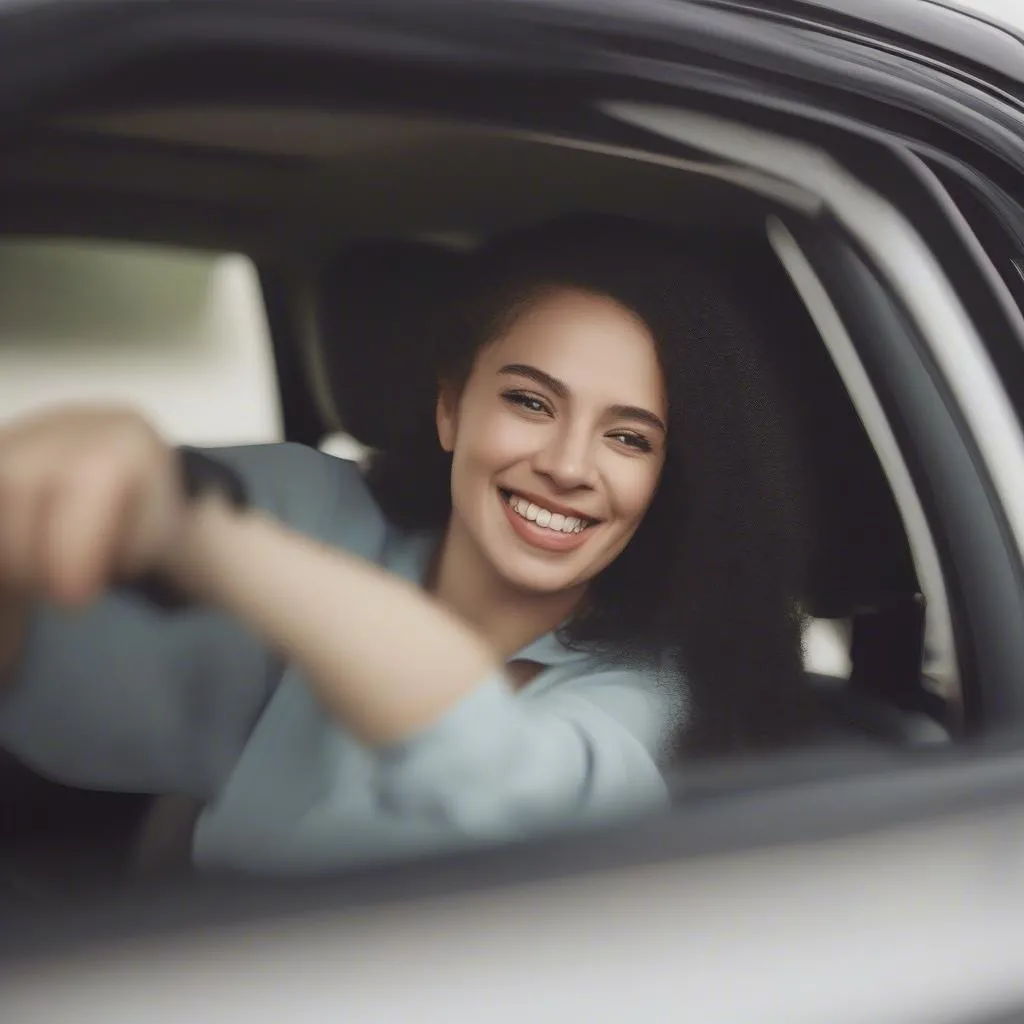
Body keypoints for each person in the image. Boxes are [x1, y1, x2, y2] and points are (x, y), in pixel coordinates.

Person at [0, 217, 815, 876]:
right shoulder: (316, 509)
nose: (568, 467)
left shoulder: (656, 699)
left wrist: (196, 532)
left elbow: (507, 798)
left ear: (664, 478)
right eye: (531, 401)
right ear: (451, 408)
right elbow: (48, 645)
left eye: (629, 440)